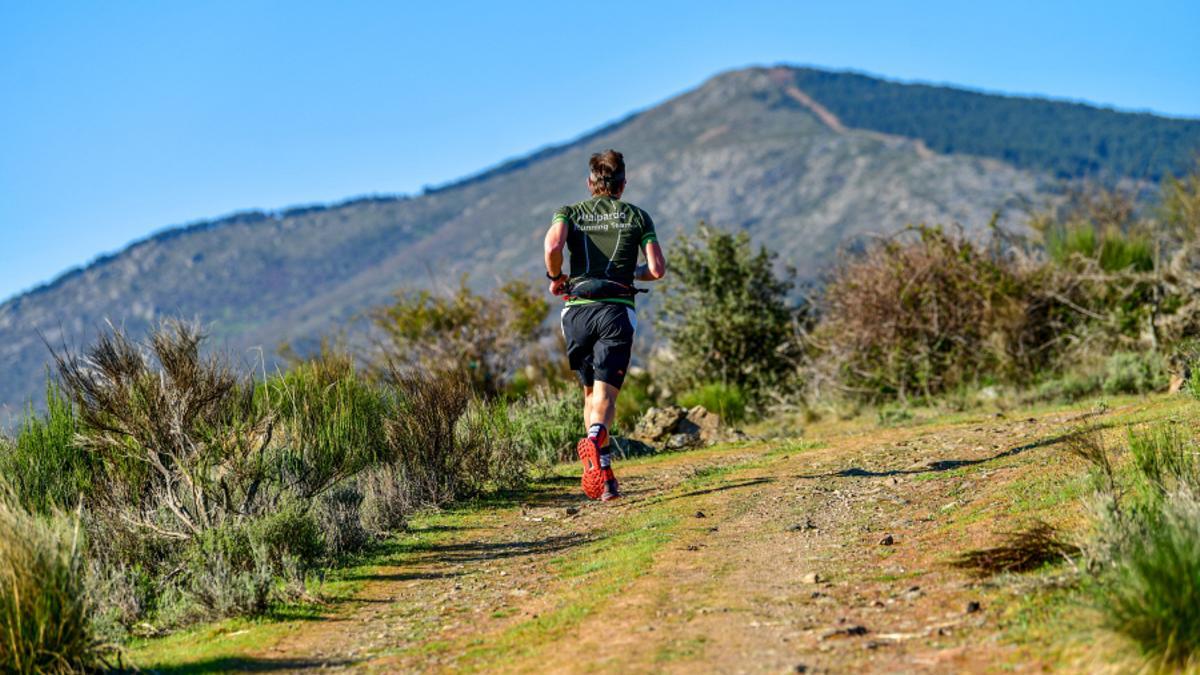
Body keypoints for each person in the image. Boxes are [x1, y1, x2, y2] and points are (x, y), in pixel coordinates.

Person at [543, 149, 667, 501]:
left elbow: (553, 243)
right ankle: (596, 436)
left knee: (588, 394)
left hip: (577, 311)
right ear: (623, 185)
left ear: (590, 183)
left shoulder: (570, 212)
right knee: (606, 396)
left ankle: (605, 477)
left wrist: (555, 276)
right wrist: (631, 272)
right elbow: (657, 270)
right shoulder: (638, 217)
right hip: (615, 310)